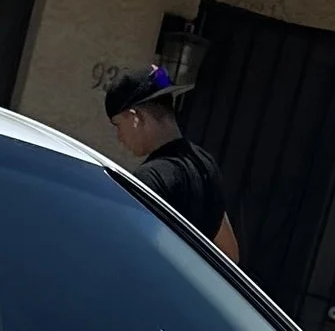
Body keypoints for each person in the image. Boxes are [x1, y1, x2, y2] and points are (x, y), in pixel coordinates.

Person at [103, 65, 240, 262]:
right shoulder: (206, 165)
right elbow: (230, 255)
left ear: (135, 118)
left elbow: (129, 256)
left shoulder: (150, 180)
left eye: (117, 125)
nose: (119, 137)